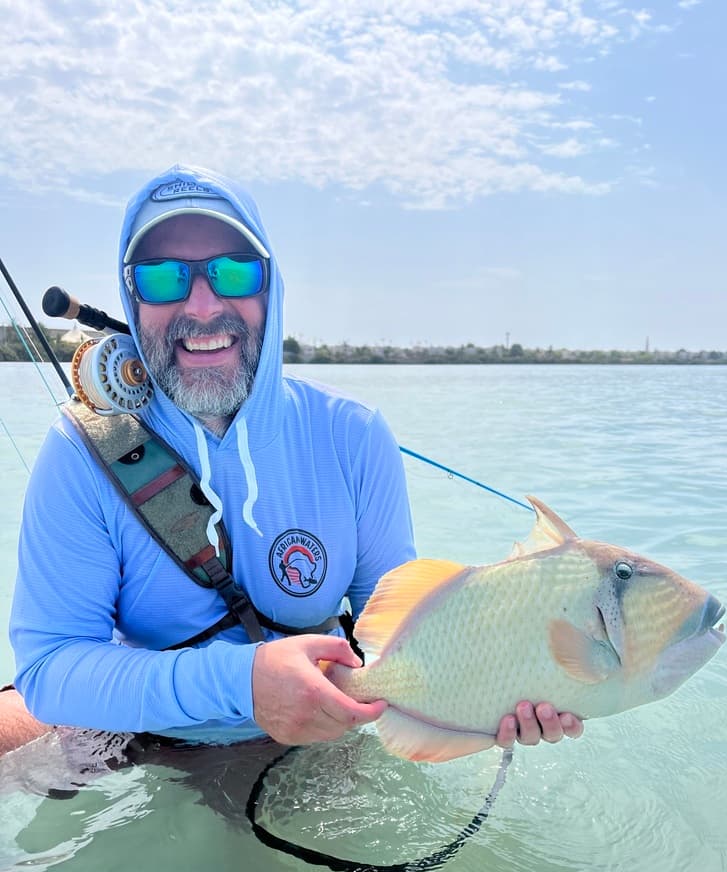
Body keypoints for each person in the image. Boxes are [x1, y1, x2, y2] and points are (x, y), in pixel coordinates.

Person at [3, 165, 582, 756]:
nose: (202, 306)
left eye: (233, 271)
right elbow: (49, 668)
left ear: (270, 289)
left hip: (318, 737)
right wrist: (241, 685)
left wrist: (503, 687)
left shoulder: (352, 435)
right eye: (162, 278)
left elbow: (399, 635)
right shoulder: (80, 453)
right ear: (131, 295)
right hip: (148, 738)